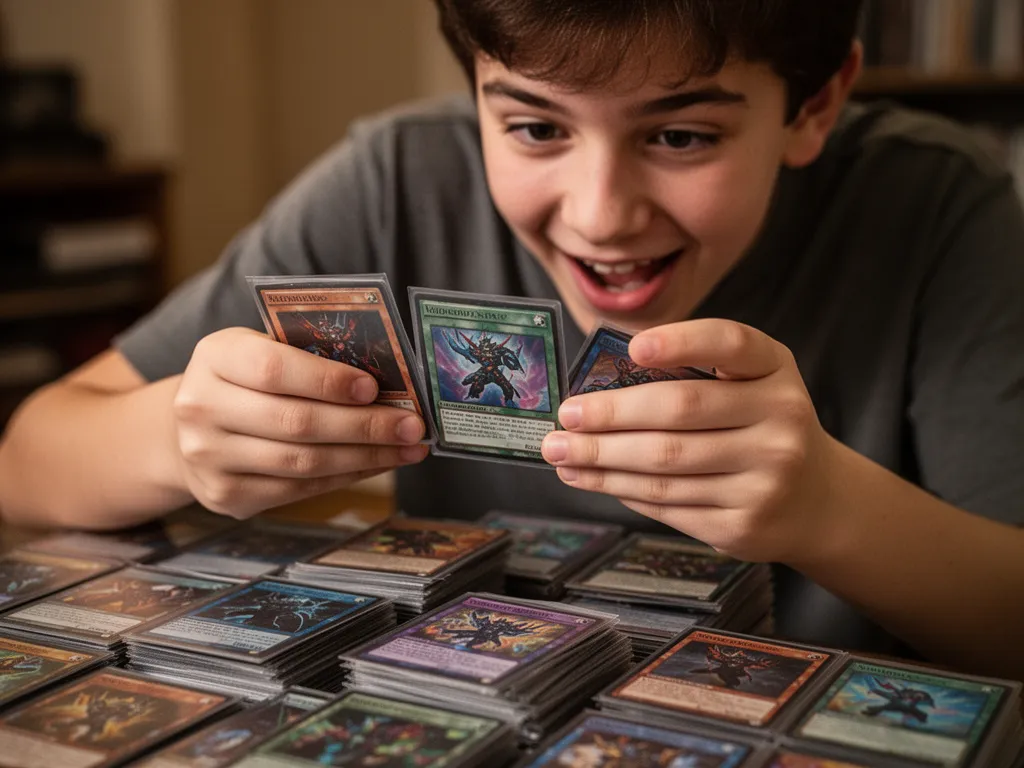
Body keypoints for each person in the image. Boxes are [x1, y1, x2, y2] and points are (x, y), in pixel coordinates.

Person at [1, 0, 1023, 679]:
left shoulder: (934, 205)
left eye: (680, 135)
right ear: (475, 92)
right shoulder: (398, 181)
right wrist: (171, 437)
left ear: (816, 104)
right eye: (535, 127)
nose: (599, 214)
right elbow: (27, 461)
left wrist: (828, 508)